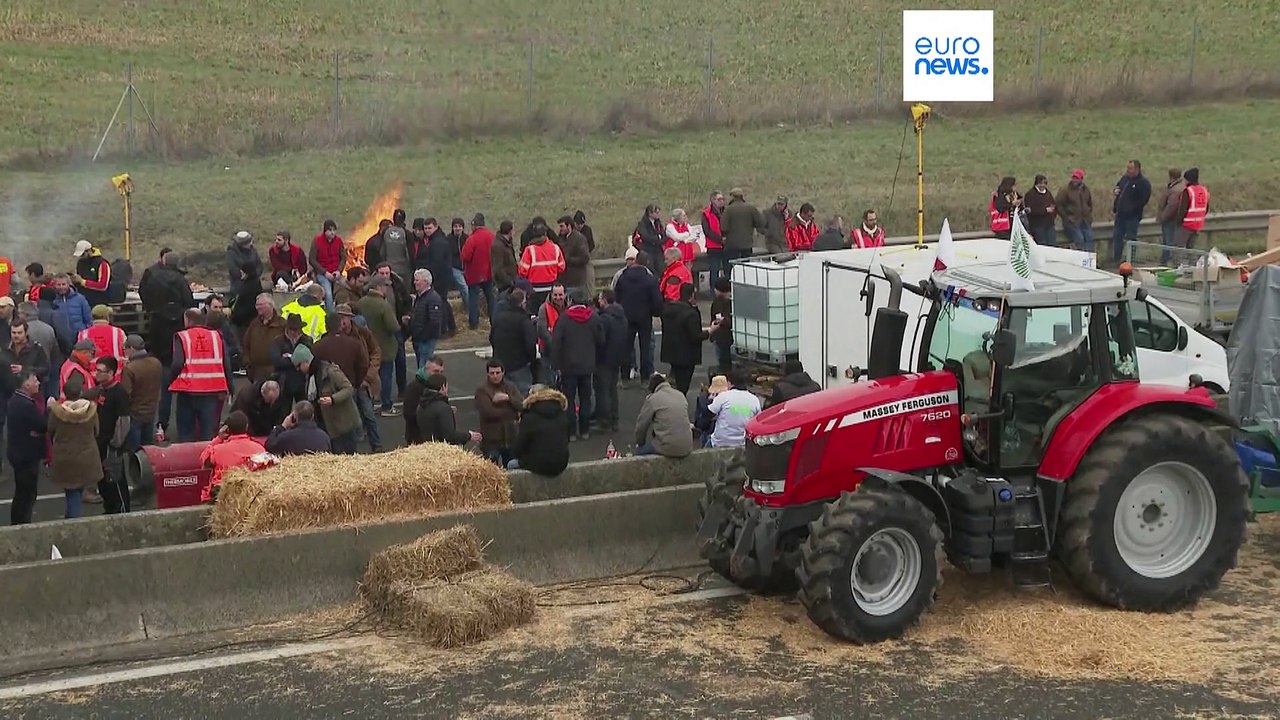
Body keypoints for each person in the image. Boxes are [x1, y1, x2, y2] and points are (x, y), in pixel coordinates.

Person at [170, 308, 232, 443]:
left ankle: (188, 462)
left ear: (187, 320)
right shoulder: (216, 336)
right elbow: (226, 363)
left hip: (188, 391)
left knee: (186, 431)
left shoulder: (183, 336)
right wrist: (230, 387)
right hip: (211, 391)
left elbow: (177, 363)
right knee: (207, 433)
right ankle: (207, 460)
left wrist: (171, 380)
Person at [550, 289, 604, 441]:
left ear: (570, 301)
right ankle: (585, 430)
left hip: (569, 367)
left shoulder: (564, 319)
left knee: (569, 399)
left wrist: (556, 364)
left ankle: (572, 432)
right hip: (587, 365)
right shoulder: (593, 318)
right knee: (586, 399)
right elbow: (601, 340)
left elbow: (556, 343)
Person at [48, 376, 101, 519]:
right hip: (87, 454)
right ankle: (72, 518)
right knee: (79, 487)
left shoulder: (57, 412)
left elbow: (51, 431)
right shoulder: (91, 410)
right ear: (80, 393)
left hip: (65, 456)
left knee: (71, 491)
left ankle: (72, 520)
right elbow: (97, 431)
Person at [291, 344, 360, 454]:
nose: (298, 370)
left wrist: (333, 399)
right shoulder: (311, 376)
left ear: (305, 361)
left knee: (347, 455)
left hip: (342, 424)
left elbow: (348, 388)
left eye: (299, 366)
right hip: (327, 424)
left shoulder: (330, 371)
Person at [613, 249, 662, 383]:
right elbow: (656, 300)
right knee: (645, 347)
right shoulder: (649, 279)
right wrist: (655, 312)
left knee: (626, 346)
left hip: (626, 316)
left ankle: (625, 376)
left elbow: (616, 296)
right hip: (644, 316)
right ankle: (645, 377)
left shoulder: (623, 277)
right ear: (645, 262)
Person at [661, 283, 717, 395]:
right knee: (683, 385)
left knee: (675, 381)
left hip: (671, 352)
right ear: (692, 295)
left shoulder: (668, 310)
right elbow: (695, 336)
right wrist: (710, 331)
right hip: (686, 356)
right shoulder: (691, 314)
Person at [91, 357, 132, 514]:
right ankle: (109, 508)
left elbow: (124, 421)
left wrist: (115, 443)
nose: (97, 374)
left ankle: (121, 508)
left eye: (101, 371)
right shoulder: (101, 390)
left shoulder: (119, 393)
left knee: (114, 477)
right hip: (100, 442)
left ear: (111, 373)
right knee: (102, 480)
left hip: (112, 445)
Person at [199, 411, 267, 503]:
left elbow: (204, 462)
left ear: (227, 429)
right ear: (246, 427)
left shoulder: (217, 450)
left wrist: (219, 438)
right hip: (252, 498)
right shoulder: (259, 449)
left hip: (221, 499)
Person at [6, 370, 47, 524]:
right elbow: (43, 425)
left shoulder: (16, 400)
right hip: (26, 455)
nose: (38, 383)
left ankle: (18, 522)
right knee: (27, 494)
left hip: (17, 453)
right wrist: (49, 409)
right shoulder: (26, 405)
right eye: (35, 380)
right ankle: (21, 525)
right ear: (26, 384)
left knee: (21, 493)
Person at [359, 277, 402, 416]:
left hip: (367, 347)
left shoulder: (361, 303)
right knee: (386, 376)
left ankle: (369, 405)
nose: (387, 288)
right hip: (385, 346)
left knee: (370, 376)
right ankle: (386, 405)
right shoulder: (383, 305)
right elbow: (393, 326)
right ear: (378, 287)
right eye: (385, 285)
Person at [509, 384, 570, 475]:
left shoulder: (529, 417)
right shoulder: (561, 413)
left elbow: (517, 449)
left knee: (511, 464)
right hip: (561, 462)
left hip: (539, 464)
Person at [474, 360, 524, 467]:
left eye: (497, 373)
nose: (495, 376)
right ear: (487, 374)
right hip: (491, 440)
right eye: (492, 373)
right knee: (492, 472)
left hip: (511, 437)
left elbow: (522, 405)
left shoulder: (510, 387)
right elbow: (488, 413)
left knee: (512, 469)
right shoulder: (482, 390)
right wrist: (512, 411)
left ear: (503, 372)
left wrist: (507, 398)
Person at [488, 288, 537, 393]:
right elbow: (530, 343)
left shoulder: (499, 318)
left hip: (502, 364)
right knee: (523, 398)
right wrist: (531, 360)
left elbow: (492, 338)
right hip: (519, 366)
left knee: (503, 398)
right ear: (522, 303)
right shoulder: (524, 320)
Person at [634, 373, 694, 458]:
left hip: (667, 447)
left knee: (638, 452)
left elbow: (641, 426)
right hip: (687, 447)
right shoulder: (680, 395)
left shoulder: (653, 399)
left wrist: (640, 443)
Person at [593, 289, 628, 433]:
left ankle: (605, 421)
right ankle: (614, 419)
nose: (599, 301)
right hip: (617, 358)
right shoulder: (621, 316)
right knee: (612, 390)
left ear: (605, 300)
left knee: (602, 391)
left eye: (600, 298)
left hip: (604, 359)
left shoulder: (604, 318)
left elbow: (600, 340)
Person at [120, 335, 162, 448]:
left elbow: (125, 393)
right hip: (152, 411)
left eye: (125, 349)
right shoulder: (156, 363)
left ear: (132, 349)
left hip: (135, 413)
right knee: (148, 448)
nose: (124, 352)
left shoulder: (130, 368)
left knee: (134, 449)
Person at [415, 374, 481, 446]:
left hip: (427, 447)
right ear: (443, 387)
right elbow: (450, 436)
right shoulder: (444, 409)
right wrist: (469, 435)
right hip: (442, 450)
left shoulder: (421, 406)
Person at [1111, 159, 1152, 266]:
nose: (1128, 170)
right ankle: (1117, 259)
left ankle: (1130, 261)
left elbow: (1144, 199)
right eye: (1127, 168)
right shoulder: (1124, 179)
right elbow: (1118, 187)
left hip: (1132, 217)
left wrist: (1131, 208)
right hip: (1120, 215)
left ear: (1137, 169)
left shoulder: (1143, 183)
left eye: (1130, 168)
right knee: (1117, 237)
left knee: (1131, 239)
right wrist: (1115, 191)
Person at [517, 226, 566, 317]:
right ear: (546, 234)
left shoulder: (529, 250)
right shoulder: (555, 248)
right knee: (551, 316)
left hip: (534, 290)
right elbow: (562, 267)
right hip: (551, 289)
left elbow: (522, 271)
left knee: (534, 316)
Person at [707, 370, 761, 448]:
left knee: (705, 436)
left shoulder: (723, 396)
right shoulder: (755, 399)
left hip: (720, 443)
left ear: (729, 383)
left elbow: (708, 414)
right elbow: (757, 421)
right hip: (743, 443)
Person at [461, 213, 496, 330]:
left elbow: (465, 256)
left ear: (474, 225)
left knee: (473, 299)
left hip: (475, 274)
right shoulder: (492, 236)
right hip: (489, 272)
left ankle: (474, 323)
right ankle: (494, 320)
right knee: (491, 298)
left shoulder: (472, 238)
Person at [242, 293, 285, 382]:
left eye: (260, 305)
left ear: (270, 305)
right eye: (256, 305)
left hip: (276, 373)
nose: (257, 307)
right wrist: (247, 364)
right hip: (256, 373)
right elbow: (245, 344)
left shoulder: (282, 324)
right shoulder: (254, 324)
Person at [271, 314, 314, 405]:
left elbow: (309, 359)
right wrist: (297, 360)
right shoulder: (278, 341)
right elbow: (277, 361)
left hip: (302, 382)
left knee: (304, 408)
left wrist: (290, 357)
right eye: (291, 329)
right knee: (283, 412)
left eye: (296, 329)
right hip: (284, 383)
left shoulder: (307, 340)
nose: (294, 332)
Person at [264, 400, 331, 456]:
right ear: (312, 416)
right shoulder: (324, 437)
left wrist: (282, 426)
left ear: (294, 416)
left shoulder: (286, 437)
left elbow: (269, 446)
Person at [403, 354, 444, 445]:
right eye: (436, 371)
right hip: (418, 438)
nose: (439, 375)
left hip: (434, 439)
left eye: (441, 372)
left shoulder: (438, 385)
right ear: (426, 370)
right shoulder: (414, 388)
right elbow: (408, 414)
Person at [410, 269, 445, 368]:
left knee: (424, 367)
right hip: (418, 339)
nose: (414, 282)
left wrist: (423, 335)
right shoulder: (419, 297)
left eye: (417, 280)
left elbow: (435, 322)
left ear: (425, 282)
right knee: (421, 366)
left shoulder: (433, 298)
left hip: (426, 340)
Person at [78, 304, 127, 375]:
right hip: (114, 376)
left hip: (92, 376)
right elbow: (126, 352)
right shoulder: (118, 332)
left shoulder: (83, 334)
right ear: (107, 316)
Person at [1055, 169, 1095, 254]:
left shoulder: (1085, 189)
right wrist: (1066, 217)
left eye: (1077, 178)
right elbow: (1058, 204)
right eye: (1074, 177)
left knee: (1090, 238)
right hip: (1072, 221)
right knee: (1079, 239)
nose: (1075, 180)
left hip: (1084, 220)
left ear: (1081, 179)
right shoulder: (1065, 190)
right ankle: (1081, 260)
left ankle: (1091, 260)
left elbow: (1089, 203)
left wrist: (1088, 213)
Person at [310, 220, 346, 309]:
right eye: (330, 230)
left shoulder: (339, 241)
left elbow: (343, 258)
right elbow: (312, 259)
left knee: (346, 289)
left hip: (336, 273)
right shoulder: (317, 241)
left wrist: (339, 271)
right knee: (328, 294)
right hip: (322, 274)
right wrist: (324, 272)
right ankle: (331, 317)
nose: (332, 232)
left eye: (334, 230)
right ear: (325, 231)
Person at [720, 188, 764, 262]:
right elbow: (761, 222)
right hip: (747, 244)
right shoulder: (751, 208)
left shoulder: (728, 210)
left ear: (732, 197)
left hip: (732, 245)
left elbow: (724, 227)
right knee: (745, 267)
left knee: (732, 267)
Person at [1172, 167, 1210, 251]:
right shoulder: (1204, 190)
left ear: (1188, 180)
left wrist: (1178, 222)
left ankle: (1179, 264)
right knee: (1192, 251)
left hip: (1186, 224)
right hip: (1198, 224)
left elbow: (1183, 209)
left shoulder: (1188, 191)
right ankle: (1192, 264)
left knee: (1178, 249)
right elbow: (1206, 208)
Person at [556, 215, 593, 299]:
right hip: (563, 282)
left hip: (576, 282)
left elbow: (585, 258)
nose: (559, 229)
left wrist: (567, 260)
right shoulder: (560, 239)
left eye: (562, 226)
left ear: (569, 226)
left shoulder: (579, 239)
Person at [1155, 168, 1186, 265]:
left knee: (1168, 242)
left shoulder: (1175, 189)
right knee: (1169, 241)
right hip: (1175, 219)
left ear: (1171, 177)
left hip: (1170, 220)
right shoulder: (1179, 187)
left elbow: (1171, 206)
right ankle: (1167, 261)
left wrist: (1162, 217)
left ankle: (1165, 262)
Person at [536, 284, 569, 377]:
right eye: (555, 295)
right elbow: (542, 330)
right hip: (548, 351)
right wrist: (556, 347)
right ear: (551, 294)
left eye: (560, 295)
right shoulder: (543, 308)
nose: (558, 297)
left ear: (565, 295)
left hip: (567, 351)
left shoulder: (570, 307)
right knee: (550, 381)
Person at [72, 240, 113, 308]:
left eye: (83, 254)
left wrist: (82, 281)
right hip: (83, 301)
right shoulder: (80, 263)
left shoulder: (102, 263)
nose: (81, 257)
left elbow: (103, 286)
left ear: (89, 251)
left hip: (98, 302)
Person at [52, 273, 93, 339]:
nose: (61, 287)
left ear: (68, 284)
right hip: (61, 339)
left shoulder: (80, 299)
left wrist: (85, 333)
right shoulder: (52, 300)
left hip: (79, 336)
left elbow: (88, 319)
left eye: (63, 284)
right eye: (58, 285)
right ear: (54, 286)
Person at [226, 231, 264, 298]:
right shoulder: (231, 253)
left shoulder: (253, 251)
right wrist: (243, 275)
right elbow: (233, 269)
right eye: (249, 242)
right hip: (239, 285)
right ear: (243, 244)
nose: (251, 243)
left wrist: (251, 274)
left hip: (255, 283)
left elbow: (259, 266)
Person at [701, 192, 727, 288]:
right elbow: (707, 231)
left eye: (722, 199)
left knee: (727, 270)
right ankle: (714, 292)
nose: (721, 202)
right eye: (719, 199)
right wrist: (720, 240)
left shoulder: (726, 212)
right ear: (712, 200)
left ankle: (727, 291)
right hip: (713, 247)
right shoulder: (706, 213)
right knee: (714, 271)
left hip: (726, 246)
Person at [1023, 175, 1057, 247]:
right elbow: (1030, 211)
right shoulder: (1030, 194)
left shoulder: (1048, 193)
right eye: (1040, 183)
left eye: (1044, 183)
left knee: (1052, 244)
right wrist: (1045, 210)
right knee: (1042, 245)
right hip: (1038, 225)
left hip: (1050, 224)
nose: (1042, 185)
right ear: (1036, 184)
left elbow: (1053, 204)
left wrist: (1053, 213)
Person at [633, 205, 666, 275]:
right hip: (648, 250)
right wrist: (657, 237)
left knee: (661, 269)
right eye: (656, 212)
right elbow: (645, 237)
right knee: (651, 270)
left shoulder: (658, 223)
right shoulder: (642, 224)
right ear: (650, 213)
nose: (658, 214)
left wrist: (658, 239)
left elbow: (664, 236)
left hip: (658, 250)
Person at [709, 278, 733, 373]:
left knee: (724, 365)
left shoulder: (718, 303)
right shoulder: (733, 302)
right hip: (726, 338)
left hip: (723, 339)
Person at [490, 220, 520, 294]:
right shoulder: (498, 246)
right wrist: (509, 281)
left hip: (511, 281)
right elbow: (497, 268)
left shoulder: (507, 243)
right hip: (504, 285)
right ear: (510, 231)